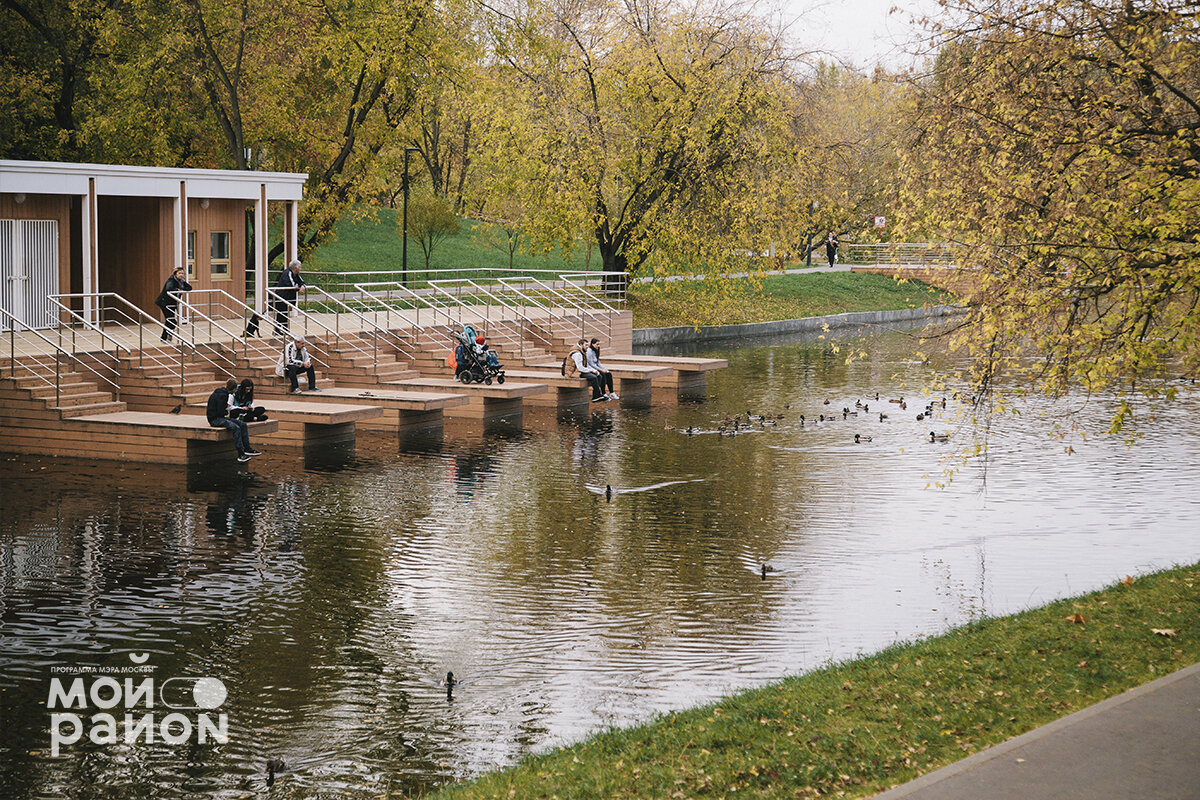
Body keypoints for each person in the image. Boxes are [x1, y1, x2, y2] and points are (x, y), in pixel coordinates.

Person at [207, 378, 261, 463]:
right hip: (215, 419)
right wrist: (226, 411)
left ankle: (247, 448)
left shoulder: (224, 393)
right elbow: (220, 411)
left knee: (242, 424)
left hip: (221, 417)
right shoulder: (223, 395)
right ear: (233, 388)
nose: (236, 390)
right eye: (236, 389)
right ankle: (240, 453)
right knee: (236, 428)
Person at [154, 267, 192, 342]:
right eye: (179, 273)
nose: (181, 275)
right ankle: (166, 337)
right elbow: (169, 288)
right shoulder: (171, 280)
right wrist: (178, 290)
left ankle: (165, 338)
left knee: (170, 320)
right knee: (171, 320)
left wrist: (180, 290)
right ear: (175, 274)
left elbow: (189, 287)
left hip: (172, 303)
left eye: (182, 273)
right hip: (164, 302)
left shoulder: (182, 281)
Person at [273, 259, 306, 335]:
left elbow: (302, 282)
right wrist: (299, 287)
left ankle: (284, 329)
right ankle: (278, 329)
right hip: (281, 296)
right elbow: (291, 285)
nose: (300, 269)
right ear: (295, 268)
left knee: (284, 313)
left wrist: (302, 285)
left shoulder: (296, 274)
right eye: (300, 267)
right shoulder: (287, 273)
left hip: (287, 297)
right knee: (281, 313)